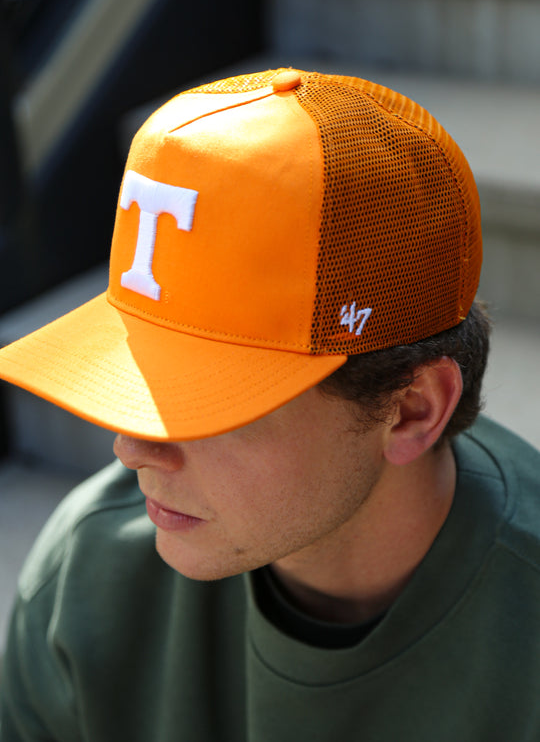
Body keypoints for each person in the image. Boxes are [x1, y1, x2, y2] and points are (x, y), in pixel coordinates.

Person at [0, 67, 539, 742]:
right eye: (140, 381)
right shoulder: (90, 571)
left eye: (213, 404)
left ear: (411, 411)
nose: (131, 448)